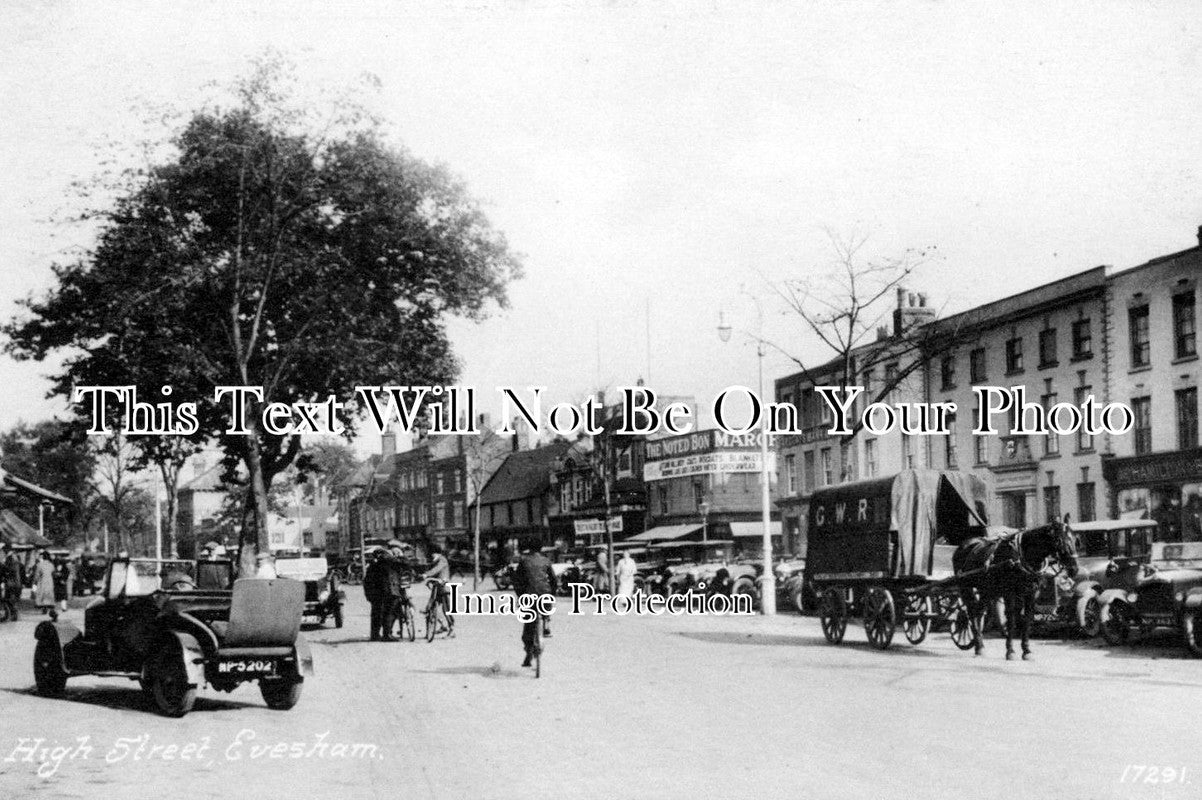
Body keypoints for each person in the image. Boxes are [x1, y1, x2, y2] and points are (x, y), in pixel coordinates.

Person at [512, 537, 556, 668]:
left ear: (529, 548)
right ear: (541, 548)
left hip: (529, 597)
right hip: (545, 595)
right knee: (546, 604)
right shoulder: (546, 561)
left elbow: (517, 581)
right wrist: (552, 594)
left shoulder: (524, 561)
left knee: (528, 627)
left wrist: (520, 596)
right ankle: (546, 623)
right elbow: (553, 580)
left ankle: (528, 654)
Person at [363, 550, 394, 641]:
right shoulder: (385, 566)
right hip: (383, 593)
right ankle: (386, 635)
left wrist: (368, 595)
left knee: (377, 614)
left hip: (376, 594)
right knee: (387, 613)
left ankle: (375, 635)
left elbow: (366, 582)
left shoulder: (372, 567)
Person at [33, 550, 56, 614]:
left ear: (43, 557)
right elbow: (53, 573)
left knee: (42, 593)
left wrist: (35, 582)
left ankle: (44, 607)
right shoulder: (51, 565)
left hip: (42, 580)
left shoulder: (39, 565)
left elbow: (37, 575)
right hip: (50, 581)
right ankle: (49, 606)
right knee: (49, 593)